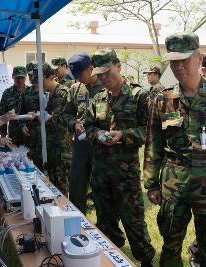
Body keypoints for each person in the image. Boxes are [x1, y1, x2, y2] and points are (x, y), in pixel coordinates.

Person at [143, 32, 206, 266]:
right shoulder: (163, 99)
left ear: (199, 58)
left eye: (185, 60)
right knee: (170, 246)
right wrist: (151, 183)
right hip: (174, 182)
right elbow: (153, 145)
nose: (178, 66)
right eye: (174, 61)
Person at [83, 48, 155, 267]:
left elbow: (150, 132)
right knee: (104, 220)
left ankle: (145, 258)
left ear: (118, 66)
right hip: (101, 171)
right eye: (100, 74)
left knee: (133, 219)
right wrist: (97, 134)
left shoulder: (139, 95)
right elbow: (88, 125)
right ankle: (110, 256)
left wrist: (124, 135)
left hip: (125, 173)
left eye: (107, 73)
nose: (103, 78)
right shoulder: (99, 98)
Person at [62, 52, 104, 214]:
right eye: (75, 75)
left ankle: (103, 228)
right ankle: (77, 220)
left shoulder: (106, 87)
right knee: (77, 186)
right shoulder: (75, 88)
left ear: (91, 69)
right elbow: (67, 113)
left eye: (80, 74)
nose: (78, 78)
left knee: (101, 189)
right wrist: (74, 124)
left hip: (101, 146)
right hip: (80, 146)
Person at [39, 63, 71, 195]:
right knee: (50, 185)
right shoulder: (45, 95)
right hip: (49, 146)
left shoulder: (64, 93)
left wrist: (50, 117)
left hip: (61, 147)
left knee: (61, 186)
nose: (39, 84)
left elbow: (66, 117)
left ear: (51, 77)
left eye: (42, 80)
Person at [0, 66, 29, 145]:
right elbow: (2, 115)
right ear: (12, 76)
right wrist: (3, 135)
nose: (20, 80)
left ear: (26, 77)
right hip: (14, 136)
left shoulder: (31, 93)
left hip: (29, 134)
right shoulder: (7, 93)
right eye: (17, 77)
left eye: (22, 77)